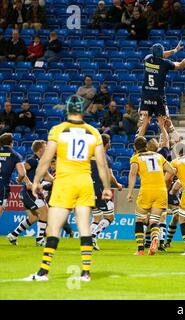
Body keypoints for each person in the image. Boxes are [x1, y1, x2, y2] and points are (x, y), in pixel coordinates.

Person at [24, 95, 112, 282]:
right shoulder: (93, 132)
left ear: (68, 110)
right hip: (85, 182)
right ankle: (86, 272)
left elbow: (46, 159)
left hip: (65, 182)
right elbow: (102, 164)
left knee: (53, 229)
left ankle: (43, 272)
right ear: (82, 110)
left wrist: (37, 180)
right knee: (84, 227)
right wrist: (106, 187)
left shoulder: (59, 130)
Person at [137, 41, 185, 137]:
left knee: (143, 124)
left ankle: (137, 146)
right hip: (158, 98)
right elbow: (180, 65)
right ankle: (176, 140)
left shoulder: (147, 59)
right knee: (165, 123)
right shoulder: (165, 63)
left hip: (146, 97)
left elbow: (162, 55)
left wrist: (175, 50)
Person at [127, 136, 175, 255]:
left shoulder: (136, 158)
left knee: (140, 219)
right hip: (161, 191)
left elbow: (132, 174)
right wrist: (162, 181)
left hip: (147, 190)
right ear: (146, 146)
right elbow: (172, 170)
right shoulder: (159, 156)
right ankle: (155, 239)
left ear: (135, 147)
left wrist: (130, 192)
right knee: (154, 221)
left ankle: (140, 249)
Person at [7, 140, 52, 247]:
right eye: (46, 147)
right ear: (41, 150)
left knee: (33, 218)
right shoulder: (33, 160)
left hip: (32, 193)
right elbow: (22, 168)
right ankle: (39, 240)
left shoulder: (41, 162)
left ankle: (13, 235)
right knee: (45, 212)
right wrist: (27, 181)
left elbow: (47, 176)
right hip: (29, 193)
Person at [90, 134, 123, 251]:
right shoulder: (105, 157)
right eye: (109, 142)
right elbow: (110, 176)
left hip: (88, 189)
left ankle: (88, 239)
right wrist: (118, 185)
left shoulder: (90, 156)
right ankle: (92, 236)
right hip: (100, 190)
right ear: (106, 143)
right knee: (110, 216)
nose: (110, 144)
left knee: (97, 216)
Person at [0, 133, 26, 219]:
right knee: (1, 207)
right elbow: (22, 173)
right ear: (12, 143)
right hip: (2, 185)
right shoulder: (15, 155)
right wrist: (19, 180)